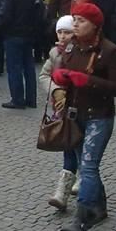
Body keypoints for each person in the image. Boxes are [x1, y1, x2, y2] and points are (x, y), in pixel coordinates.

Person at [56, 3, 116, 231]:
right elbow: (61, 72)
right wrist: (60, 76)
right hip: (75, 115)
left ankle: (81, 219)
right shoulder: (70, 47)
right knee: (84, 164)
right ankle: (100, 206)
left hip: (99, 115)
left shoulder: (109, 51)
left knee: (88, 166)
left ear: (95, 25)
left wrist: (88, 80)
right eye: (74, 19)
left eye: (81, 21)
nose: (75, 24)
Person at [39, 15, 78, 212]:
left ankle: (82, 180)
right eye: (60, 32)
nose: (63, 36)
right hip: (60, 109)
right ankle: (62, 191)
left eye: (67, 32)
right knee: (68, 146)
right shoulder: (55, 53)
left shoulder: (81, 53)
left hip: (80, 108)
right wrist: (55, 89)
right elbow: (44, 75)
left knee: (80, 147)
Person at [0, 0, 41, 109]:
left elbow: (5, 16)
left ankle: (17, 99)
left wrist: (0, 27)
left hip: (13, 34)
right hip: (29, 33)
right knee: (28, 66)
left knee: (14, 67)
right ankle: (31, 98)